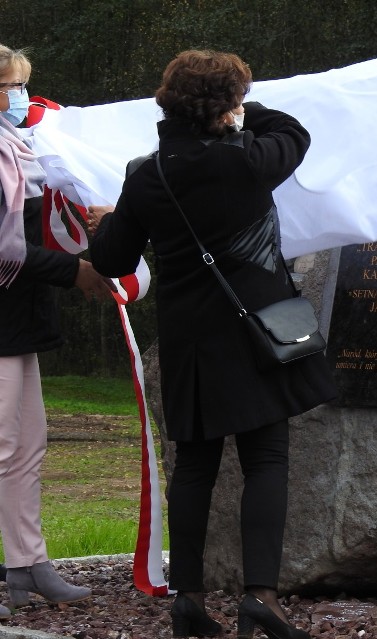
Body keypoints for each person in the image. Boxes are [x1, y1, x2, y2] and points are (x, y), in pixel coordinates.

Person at [88, 50, 336, 638]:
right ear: (227, 106)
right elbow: (294, 131)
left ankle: (189, 600)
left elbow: (113, 261)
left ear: (168, 102)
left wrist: (107, 224)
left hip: (190, 339)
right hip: (257, 330)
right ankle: (261, 599)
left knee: (195, 464)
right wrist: (236, 107)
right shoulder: (251, 159)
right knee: (266, 460)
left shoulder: (148, 173)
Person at [0, 44, 113, 618]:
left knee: (26, 445)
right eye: (11, 88)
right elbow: (2, 250)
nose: (21, 100)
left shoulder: (22, 153)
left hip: (18, 322)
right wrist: (76, 271)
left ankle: (27, 564)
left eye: (21, 86)